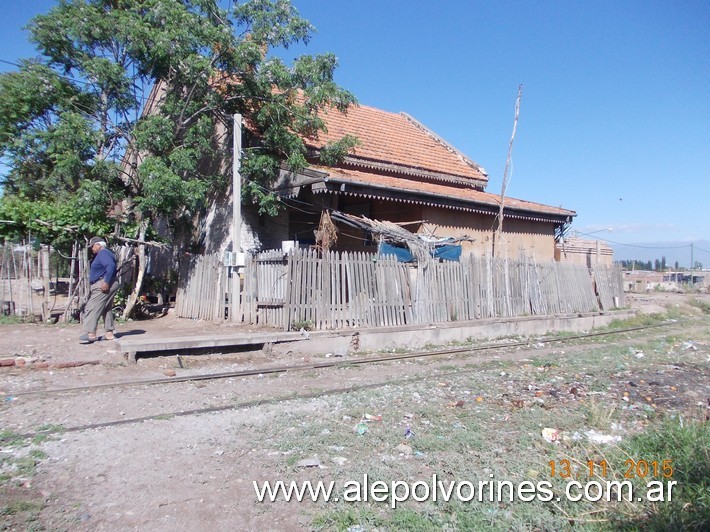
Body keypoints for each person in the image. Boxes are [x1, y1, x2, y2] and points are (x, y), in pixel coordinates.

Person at [79, 236, 120, 344]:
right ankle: (109, 333)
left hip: (103, 283)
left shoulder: (103, 253)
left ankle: (90, 333)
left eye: (92, 246)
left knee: (92, 307)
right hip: (108, 282)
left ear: (98, 245)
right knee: (106, 308)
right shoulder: (106, 253)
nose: (92, 248)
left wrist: (106, 281)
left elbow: (110, 266)